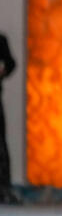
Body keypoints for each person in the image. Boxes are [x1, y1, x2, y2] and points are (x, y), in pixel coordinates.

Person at [0, 32, 15, 191]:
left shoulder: (1, 40)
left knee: (1, 144)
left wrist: (3, 71)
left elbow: (11, 64)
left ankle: (4, 186)